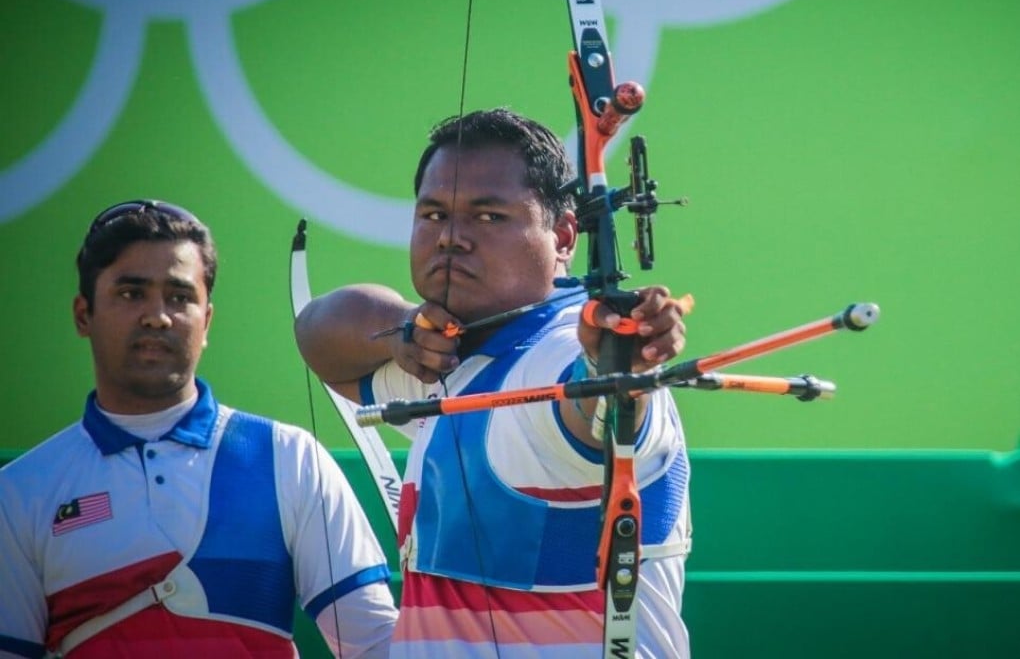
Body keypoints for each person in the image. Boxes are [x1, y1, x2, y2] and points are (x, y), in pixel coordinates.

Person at [294, 108, 693, 658]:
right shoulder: (447, 355)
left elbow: (593, 412)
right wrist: (402, 330)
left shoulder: (555, 355)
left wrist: (616, 368)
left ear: (564, 236)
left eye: (488, 217)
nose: (450, 238)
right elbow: (319, 332)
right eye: (434, 214)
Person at [0, 200, 397, 658]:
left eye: (180, 296)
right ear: (83, 314)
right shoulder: (20, 493)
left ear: (206, 320)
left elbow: (375, 644)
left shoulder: (288, 457)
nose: (158, 316)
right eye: (131, 293)